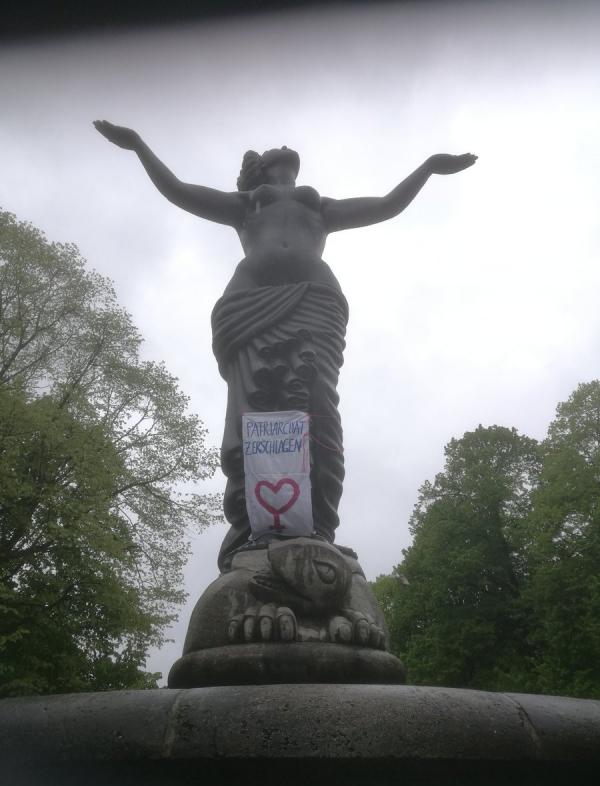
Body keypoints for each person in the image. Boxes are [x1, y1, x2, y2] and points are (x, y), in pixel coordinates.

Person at [94, 120, 477, 569]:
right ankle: (253, 531)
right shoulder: (248, 205)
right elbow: (178, 189)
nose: (285, 143)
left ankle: (318, 531)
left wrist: (429, 166)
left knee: (317, 413)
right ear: (264, 168)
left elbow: (388, 205)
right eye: (275, 146)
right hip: (250, 309)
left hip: (314, 307)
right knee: (253, 413)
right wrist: (139, 144)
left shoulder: (319, 206)